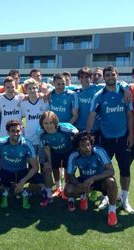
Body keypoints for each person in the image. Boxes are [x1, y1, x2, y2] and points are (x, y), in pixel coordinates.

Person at [87, 65, 134, 214]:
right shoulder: (99, 96)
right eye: (107, 75)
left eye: (112, 74)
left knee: (125, 169)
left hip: (123, 138)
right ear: (104, 77)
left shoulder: (124, 93)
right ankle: (105, 197)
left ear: (116, 75)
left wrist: (131, 135)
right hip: (105, 139)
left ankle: (125, 200)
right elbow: (92, 116)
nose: (109, 77)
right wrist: (87, 135)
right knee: (104, 169)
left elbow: (129, 116)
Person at [0, 120, 43, 209]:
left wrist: (23, 181)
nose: (16, 133)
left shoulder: (27, 144)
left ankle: (25, 192)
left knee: (42, 183)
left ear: (21, 131)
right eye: (13, 131)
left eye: (18, 131)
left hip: (22, 172)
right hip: (6, 172)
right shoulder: (2, 142)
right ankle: (6, 191)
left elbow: (35, 167)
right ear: (8, 132)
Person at [65, 131, 118, 226]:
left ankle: (112, 211)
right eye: (83, 146)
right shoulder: (73, 155)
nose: (88, 148)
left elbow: (111, 171)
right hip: (84, 180)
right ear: (78, 147)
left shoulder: (99, 151)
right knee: (68, 190)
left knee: (111, 181)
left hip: (99, 180)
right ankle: (83, 195)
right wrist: (79, 185)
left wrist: (93, 178)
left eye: (88, 144)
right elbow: (71, 175)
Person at [38, 111, 78, 206]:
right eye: (45, 123)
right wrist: (50, 163)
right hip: (54, 151)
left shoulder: (65, 128)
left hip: (68, 151)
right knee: (50, 169)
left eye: (51, 122)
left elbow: (76, 133)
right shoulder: (41, 133)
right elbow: (47, 148)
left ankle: (69, 196)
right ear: (42, 124)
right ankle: (52, 193)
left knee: (69, 172)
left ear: (55, 122)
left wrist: (75, 152)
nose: (48, 126)